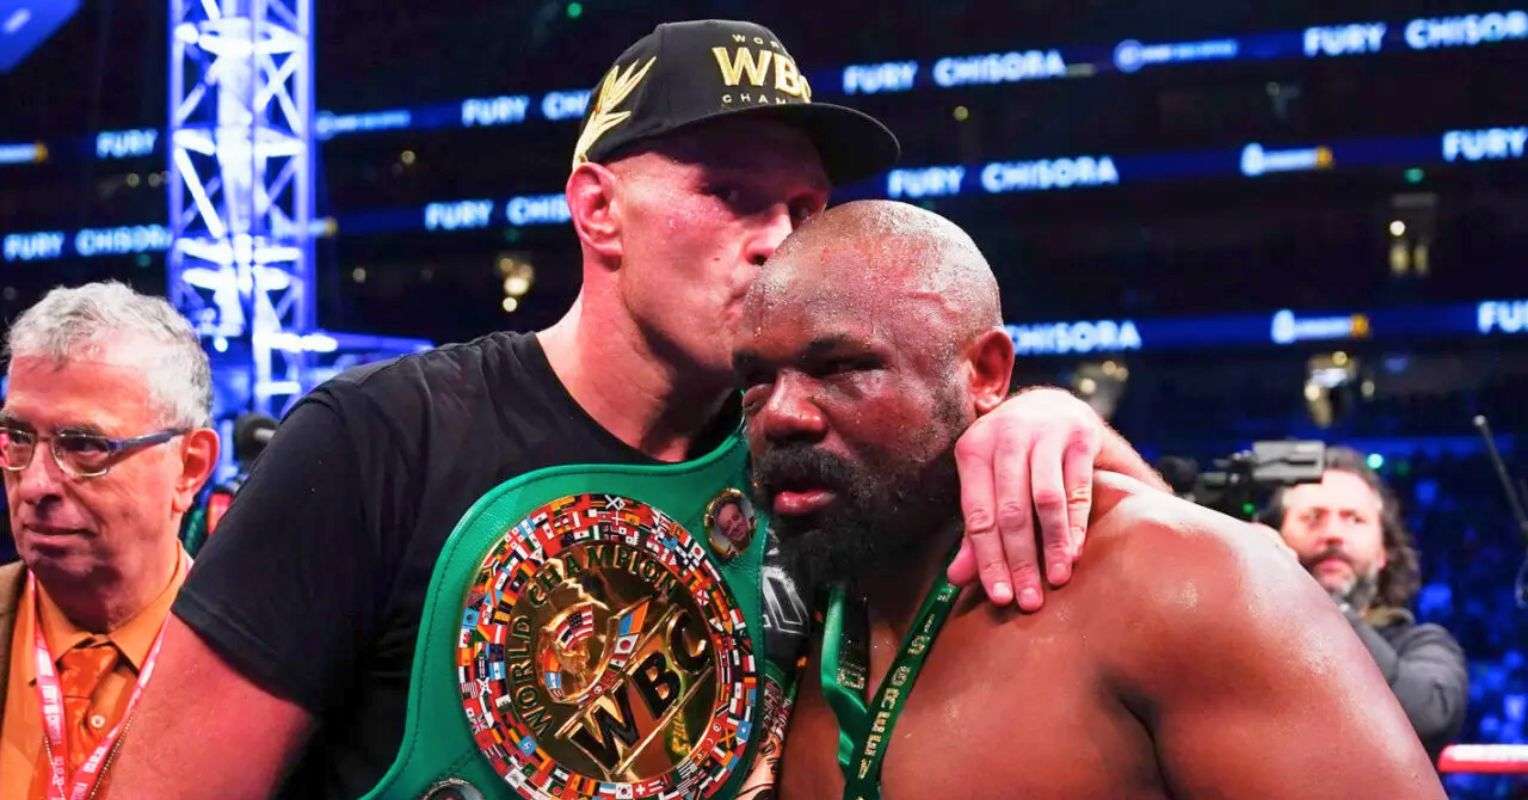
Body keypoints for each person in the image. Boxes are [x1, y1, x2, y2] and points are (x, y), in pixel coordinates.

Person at [112, 20, 1164, 800]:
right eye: (731, 194)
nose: (779, 240)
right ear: (598, 210)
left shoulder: (817, 462)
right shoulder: (382, 438)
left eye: (804, 208)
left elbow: (1146, 595)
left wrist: (1058, 426)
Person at [734, 200, 1445, 799]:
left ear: (986, 373)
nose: (781, 414)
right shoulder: (787, 614)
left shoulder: (1178, 579)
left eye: (842, 366)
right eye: (757, 379)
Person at [0, 282, 219, 799]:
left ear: (189, 468)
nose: (33, 485)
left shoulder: (272, 668)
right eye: (18, 438)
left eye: (84, 446)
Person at [1267, 446, 1468, 760]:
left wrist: (1320, 604)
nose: (1333, 533)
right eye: (1312, 518)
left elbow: (1429, 720)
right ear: (1275, 536)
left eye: (1354, 519)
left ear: (1382, 552)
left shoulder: (1422, 644)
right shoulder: (1241, 641)